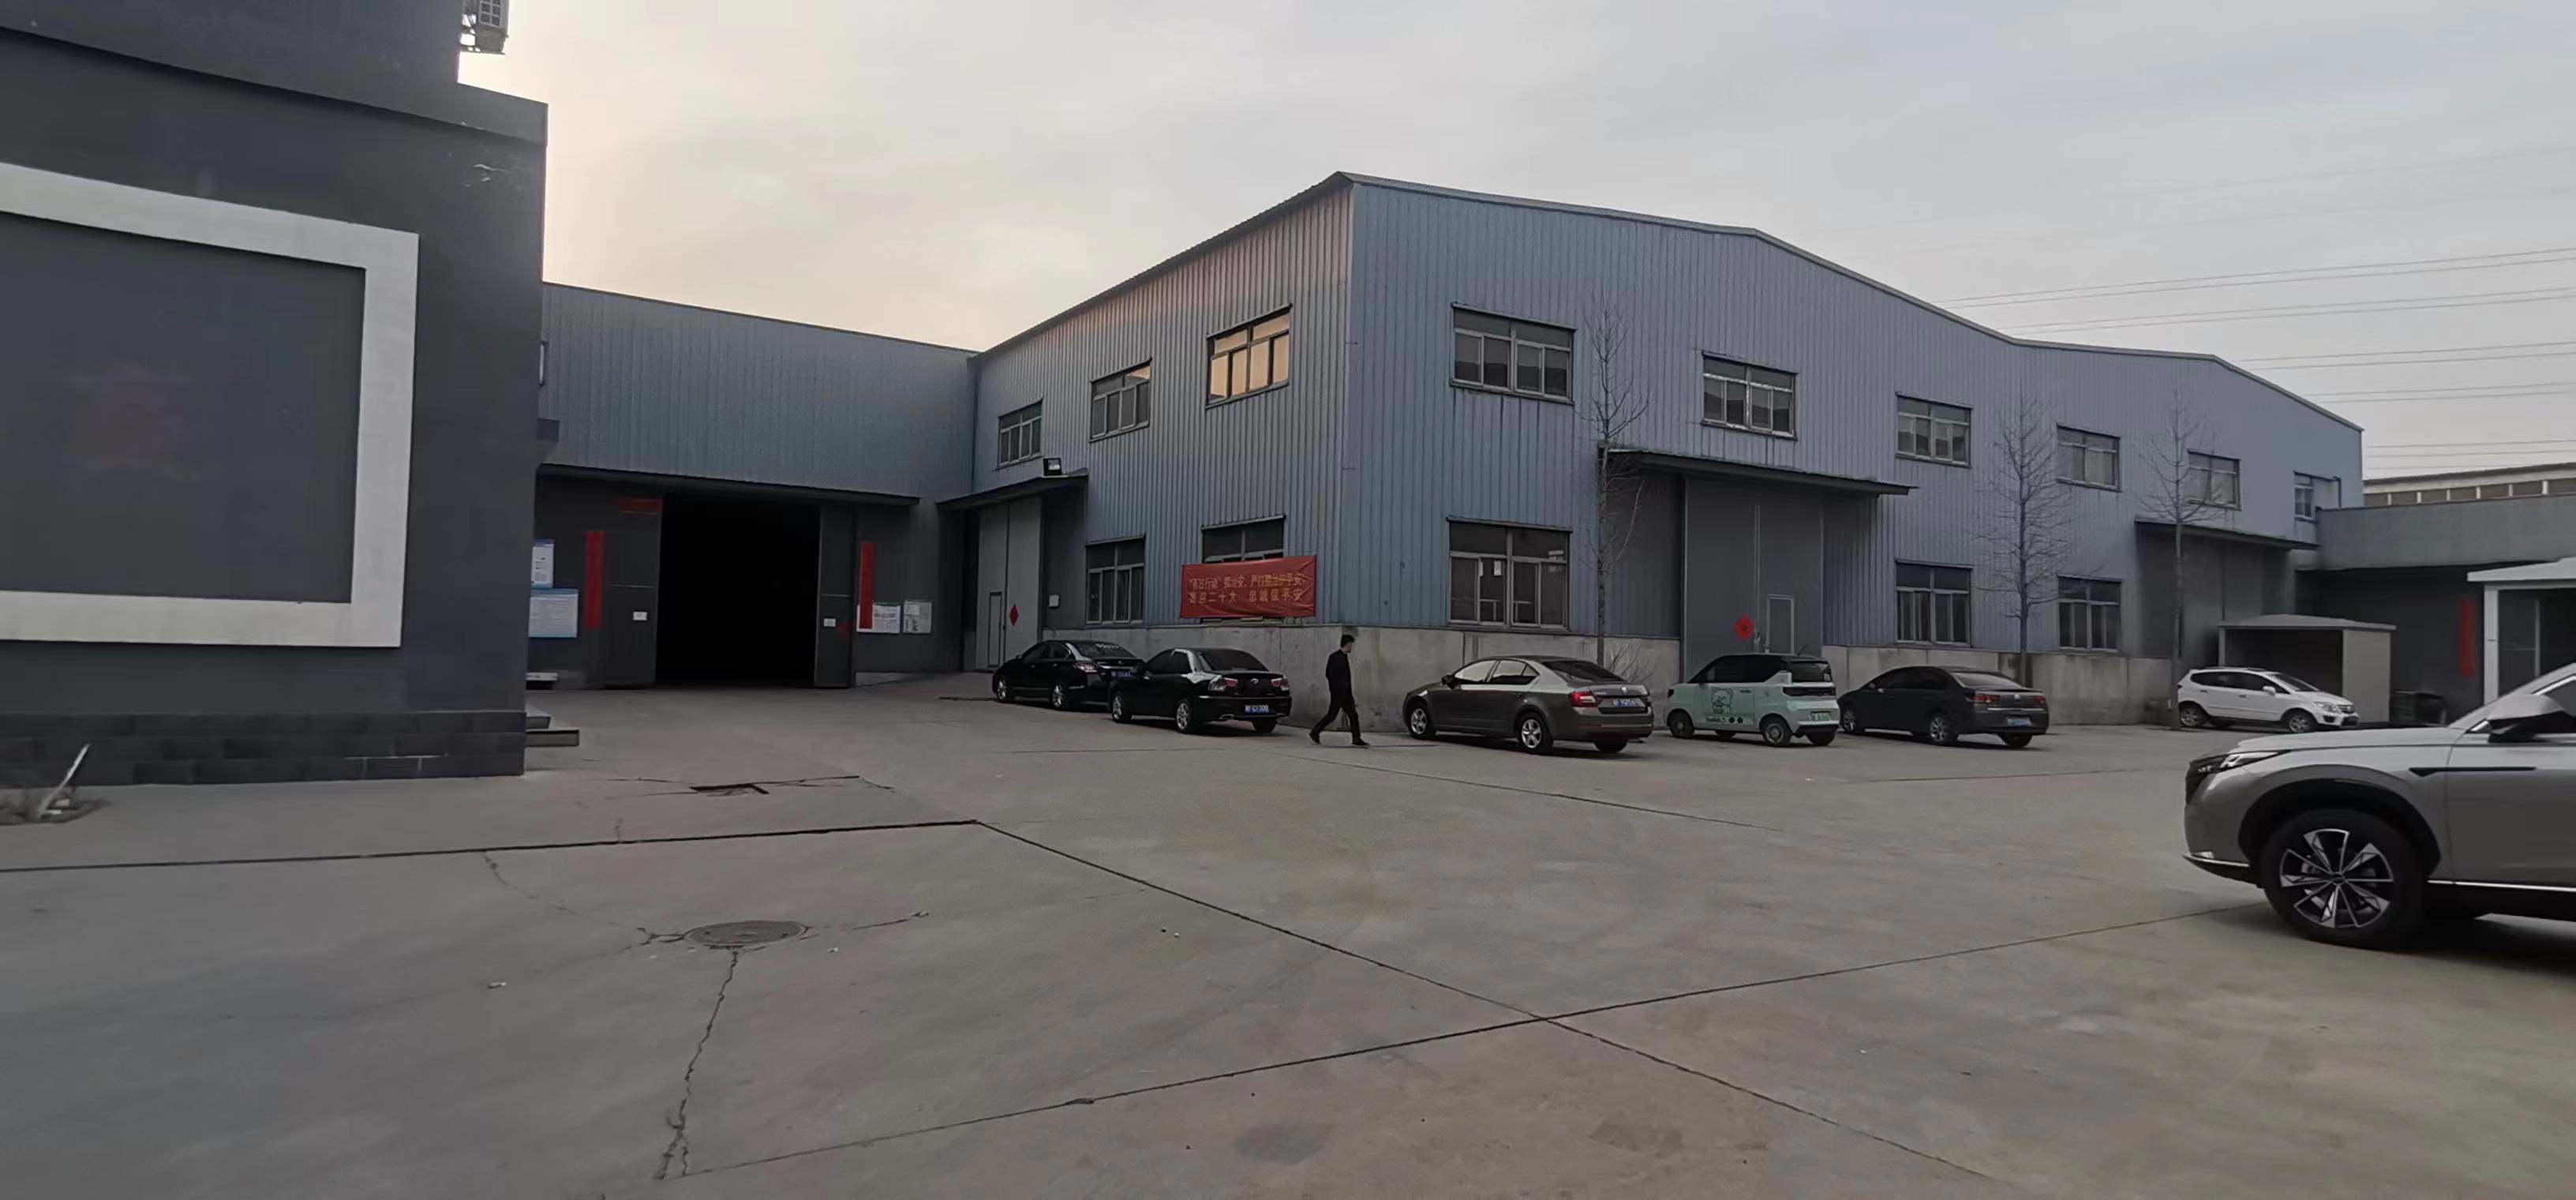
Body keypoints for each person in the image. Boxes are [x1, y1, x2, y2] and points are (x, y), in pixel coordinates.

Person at [1309, 632, 1368, 746]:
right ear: (1347, 644)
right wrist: (1337, 689)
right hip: (1340, 694)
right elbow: (1330, 674)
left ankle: (1356, 738)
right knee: (1333, 716)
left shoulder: (1340, 657)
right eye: (1351, 645)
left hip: (1344, 693)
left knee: (1352, 716)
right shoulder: (1336, 658)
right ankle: (1315, 732)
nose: (1352, 648)